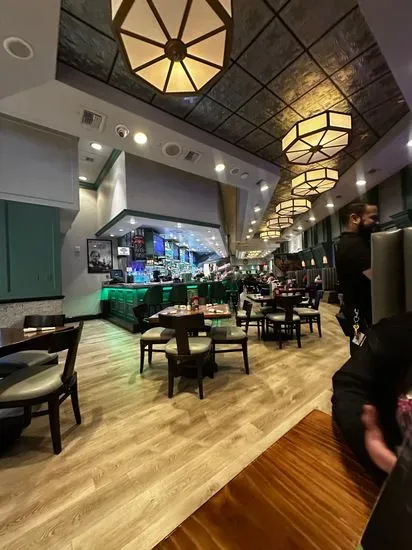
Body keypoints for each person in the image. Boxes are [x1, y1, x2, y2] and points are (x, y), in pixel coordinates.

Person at [332, 312, 412, 484]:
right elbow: (349, 384)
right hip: (357, 317)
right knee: (356, 336)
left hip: (362, 320)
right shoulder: (397, 331)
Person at [335, 202, 379, 355]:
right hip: (359, 312)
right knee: (362, 348)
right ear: (354, 218)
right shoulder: (354, 246)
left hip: (354, 310)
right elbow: (377, 279)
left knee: (358, 344)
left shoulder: (346, 242)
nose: (376, 222)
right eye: (372, 218)